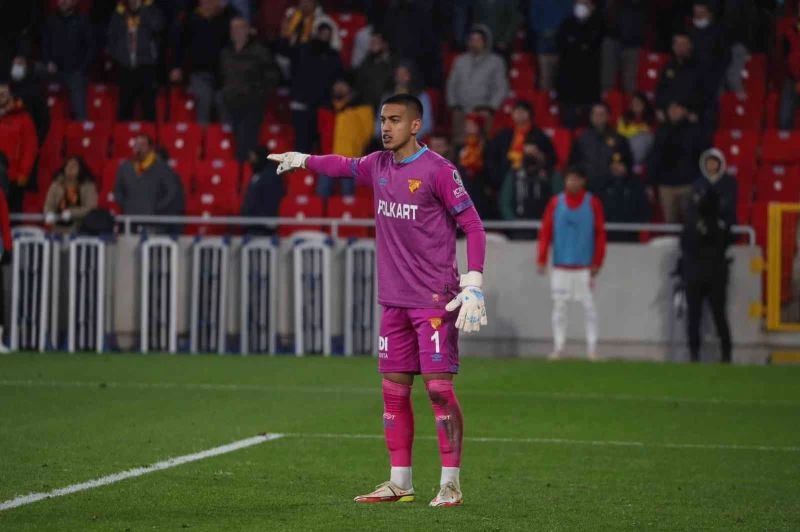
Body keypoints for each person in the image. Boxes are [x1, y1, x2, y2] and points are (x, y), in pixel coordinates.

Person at [268, 93, 488, 508]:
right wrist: (303, 159)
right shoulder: (378, 165)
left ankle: (450, 484)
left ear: (416, 125)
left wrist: (473, 280)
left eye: (395, 120)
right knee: (393, 393)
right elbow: (343, 165)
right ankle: (399, 482)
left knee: (439, 390)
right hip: (393, 301)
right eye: (383, 120)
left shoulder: (439, 171)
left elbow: (473, 225)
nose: (385, 127)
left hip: (434, 300)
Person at [537, 165, 606, 360]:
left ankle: (592, 349)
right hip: (561, 266)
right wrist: (542, 258)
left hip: (584, 267)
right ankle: (559, 347)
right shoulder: (555, 203)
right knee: (559, 308)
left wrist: (598, 261)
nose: (572, 183)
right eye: (569, 179)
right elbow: (546, 232)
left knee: (589, 307)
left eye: (576, 179)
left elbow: (600, 234)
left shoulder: (593, 203)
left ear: (583, 181)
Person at [679, 188, 733, 363]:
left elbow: (684, 245)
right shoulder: (721, 224)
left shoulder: (691, 223)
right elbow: (728, 242)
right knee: (719, 316)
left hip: (695, 275)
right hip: (716, 275)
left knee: (694, 316)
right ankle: (726, 354)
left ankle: (694, 354)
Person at [219, 17, 280, 162]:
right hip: (230, 103)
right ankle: (236, 170)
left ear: (247, 30)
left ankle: (246, 171)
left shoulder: (259, 51)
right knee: (232, 141)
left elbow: (272, 76)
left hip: (251, 104)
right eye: (233, 28)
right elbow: (222, 75)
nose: (235, 31)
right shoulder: (226, 52)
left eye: (239, 28)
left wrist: (259, 95)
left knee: (246, 143)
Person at [170, 0, 237, 125]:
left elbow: (237, 34)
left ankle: (225, 136)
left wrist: (225, 8)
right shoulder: (190, 17)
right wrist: (176, 66)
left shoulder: (226, 17)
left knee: (223, 103)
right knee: (203, 101)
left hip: (223, 73)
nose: (208, 3)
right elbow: (179, 44)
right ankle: (203, 136)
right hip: (199, 72)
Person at [283, 21, 343, 153]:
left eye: (327, 35)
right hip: (302, 105)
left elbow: (337, 79)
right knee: (301, 144)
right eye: (322, 34)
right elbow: (292, 72)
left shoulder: (333, 56)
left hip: (322, 107)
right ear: (316, 33)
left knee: (320, 145)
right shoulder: (303, 50)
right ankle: (301, 167)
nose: (324, 37)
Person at [647, 100, 710, 224]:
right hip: (666, 186)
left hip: (688, 184)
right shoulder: (661, 131)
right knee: (669, 223)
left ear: (684, 111)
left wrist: (699, 181)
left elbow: (703, 155)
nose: (673, 111)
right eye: (671, 109)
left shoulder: (694, 131)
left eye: (677, 108)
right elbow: (654, 157)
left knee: (690, 222)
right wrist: (650, 182)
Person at [446, 25, 508, 145]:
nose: (474, 43)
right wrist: (453, 104)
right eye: (472, 40)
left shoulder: (496, 61)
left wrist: (491, 107)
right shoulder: (460, 60)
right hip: (461, 110)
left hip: (483, 111)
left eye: (478, 40)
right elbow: (451, 84)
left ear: (486, 42)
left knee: (481, 144)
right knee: (459, 142)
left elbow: (501, 87)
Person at [316, 75, 374, 197]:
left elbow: (367, 132)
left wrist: (355, 148)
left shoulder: (361, 106)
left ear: (350, 87)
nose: (339, 88)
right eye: (337, 84)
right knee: (322, 195)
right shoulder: (326, 106)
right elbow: (320, 130)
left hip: (350, 159)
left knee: (347, 197)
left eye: (343, 85)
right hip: (328, 157)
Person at [107, 0, 165, 121]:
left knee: (148, 108)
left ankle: (149, 133)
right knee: (124, 109)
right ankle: (124, 133)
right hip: (126, 67)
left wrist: (142, 9)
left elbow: (156, 26)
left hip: (146, 66)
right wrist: (119, 57)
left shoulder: (151, 9)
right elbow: (111, 35)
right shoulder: (119, 12)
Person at [113, 135, 183, 229]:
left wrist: (157, 207)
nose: (139, 147)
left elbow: (171, 191)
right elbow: (118, 191)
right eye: (136, 144)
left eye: (142, 145)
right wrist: (127, 205)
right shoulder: (125, 167)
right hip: (130, 219)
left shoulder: (161, 168)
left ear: (150, 148)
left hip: (153, 220)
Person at [486, 100, 557, 192]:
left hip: (531, 179)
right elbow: (492, 158)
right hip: (505, 178)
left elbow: (552, 158)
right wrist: (498, 179)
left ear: (530, 115)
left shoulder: (539, 136)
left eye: (523, 110)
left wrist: (538, 154)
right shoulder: (504, 135)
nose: (519, 113)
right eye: (516, 110)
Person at [42, 0, 94, 120]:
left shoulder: (83, 20)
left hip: (75, 71)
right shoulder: (50, 20)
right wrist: (48, 62)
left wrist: (81, 69)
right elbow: (45, 46)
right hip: (53, 70)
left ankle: (81, 126)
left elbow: (91, 49)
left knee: (77, 83)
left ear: (75, 2)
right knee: (33, 72)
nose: (63, 2)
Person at [555, 0, 604, 129]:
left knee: (590, 126)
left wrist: (576, 43)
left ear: (592, 6)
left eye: (585, 3)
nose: (581, 7)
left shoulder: (598, 24)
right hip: (568, 84)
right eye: (578, 3)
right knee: (568, 124)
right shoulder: (567, 23)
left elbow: (592, 45)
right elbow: (561, 43)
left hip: (589, 84)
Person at [498, 134, 559, 234]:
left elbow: (559, 203)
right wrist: (514, 224)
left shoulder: (552, 176)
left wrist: (548, 223)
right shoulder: (514, 175)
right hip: (519, 231)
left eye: (533, 154)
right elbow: (505, 203)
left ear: (543, 154)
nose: (529, 158)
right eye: (526, 154)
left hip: (545, 230)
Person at [568, 102, 632, 194]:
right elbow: (573, 163)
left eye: (602, 114)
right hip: (588, 187)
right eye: (595, 114)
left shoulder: (619, 138)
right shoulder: (581, 138)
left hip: (612, 187)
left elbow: (628, 161)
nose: (598, 117)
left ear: (608, 116)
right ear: (590, 116)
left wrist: (624, 167)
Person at [0, 82, 39, 213]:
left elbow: (30, 148)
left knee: (11, 214)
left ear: (10, 96)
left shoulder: (23, 117)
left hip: (14, 177)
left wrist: (24, 172)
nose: (0, 97)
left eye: (3, 94)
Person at [376, 61, 433, 141]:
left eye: (404, 74)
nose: (401, 78)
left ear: (411, 76)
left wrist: (408, 139)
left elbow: (427, 124)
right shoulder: (387, 97)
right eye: (398, 75)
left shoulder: (421, 96)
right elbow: (379, 122)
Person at [601, 151, 650, 242]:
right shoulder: (603, 185)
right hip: (608, 233)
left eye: (620, 164)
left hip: (630, 233)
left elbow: (644, 209)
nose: (616, 167)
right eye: (614, 164)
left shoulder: (636, 185)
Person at [655, 32, 704, 121]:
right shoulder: (668, 67)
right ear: (673, 47)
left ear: (690, 46)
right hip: (669, 112)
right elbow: (661, 90)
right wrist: (663, 107)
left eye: (683, 44)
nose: (680, 47)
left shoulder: (699, 68)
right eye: (677, 44)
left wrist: (686, 110)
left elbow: (702, 94)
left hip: (689, 115)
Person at [43, 156, 98, 234]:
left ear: (80, 169)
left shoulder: (88, 186)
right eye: (68, 165)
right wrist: (49, 212)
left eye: (74, 166)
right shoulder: (56, 184)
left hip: (79, 227)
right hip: (57, 227)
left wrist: (72, 213)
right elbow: (49, 204)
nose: (70, 168)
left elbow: (91, 207)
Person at [601, 0, 646, 93]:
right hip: (611, 37)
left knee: (629, 83)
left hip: (632, 41)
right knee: (607, 80)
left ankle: (629, 102)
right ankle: (605, 101)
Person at [528, 0, 573, 91]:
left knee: (563, 81)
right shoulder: (538, 2)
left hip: (563, 48)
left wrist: (561, 35)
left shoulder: (568, 3)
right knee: (545, 80)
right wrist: (545, 33)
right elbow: (534, 21)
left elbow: (571, 20)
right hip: (544, 46)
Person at [456, 113, 492, 219]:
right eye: (467, 125)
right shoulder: (461, 146)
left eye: (472, 125)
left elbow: (488, 167)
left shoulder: (486, 145)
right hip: (464, 185)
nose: (468, 127)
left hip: (480, 186)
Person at [241, 146, 283, 235]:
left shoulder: (271, 176)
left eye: (254, 158)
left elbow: (271, 202)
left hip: (262, 227)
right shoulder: (257, 174)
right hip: (252, 224)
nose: (251, 161)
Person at [690, 148, 737, 227]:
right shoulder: (698, 183)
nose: (711, 164)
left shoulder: (729, 182)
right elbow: (695, 203)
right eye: (709, 162)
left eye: (714, 162)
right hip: (702, 221)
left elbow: (729, 202)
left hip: (724, 221)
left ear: (720, 163)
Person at [354, 29, 394, 110]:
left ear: (385, 44)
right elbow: (359, 87)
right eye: (371, 43)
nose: (372, 46)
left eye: (376, 43)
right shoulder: (365, 63)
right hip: (366, 107)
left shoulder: (393, 64)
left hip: (386, 107)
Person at [616, 91, 655, 167]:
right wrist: (638, 130)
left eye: (638, 103)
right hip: (627, 149)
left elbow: (653, 136)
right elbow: (620, 135)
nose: (636, 105)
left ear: (644, 104)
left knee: (644, 138)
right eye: (633, 103)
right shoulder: (624, 118)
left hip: (646, 152)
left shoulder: (651, 118)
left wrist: (639, 132)